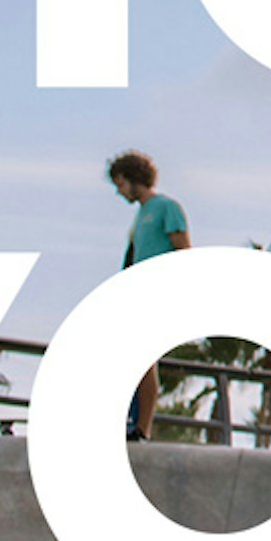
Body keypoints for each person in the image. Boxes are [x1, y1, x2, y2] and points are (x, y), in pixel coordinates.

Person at [105, 149, 188, 442]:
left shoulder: (166, 207)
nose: (119, 191)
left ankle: (143, 427)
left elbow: (184, 251)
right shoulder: (140, 216)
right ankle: (131, 421)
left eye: (120, 184)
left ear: (132, 178)